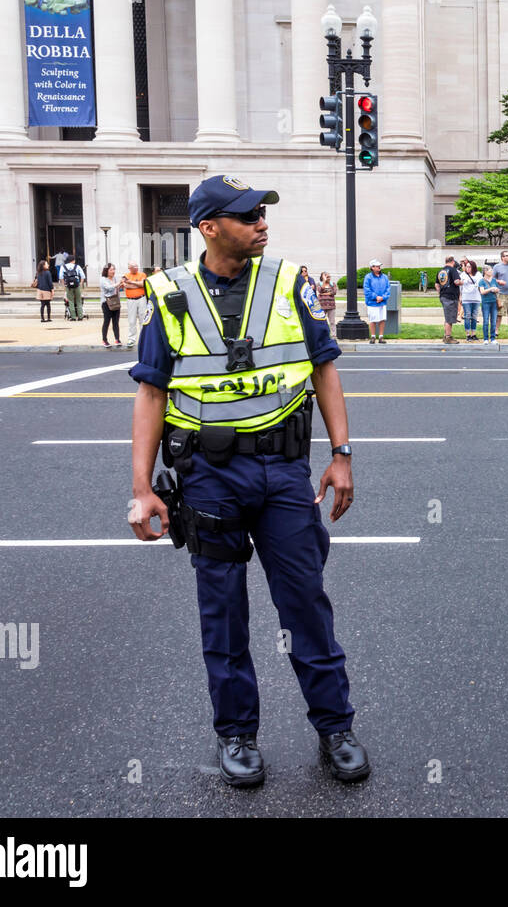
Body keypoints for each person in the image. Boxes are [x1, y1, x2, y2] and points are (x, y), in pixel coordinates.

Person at [127, 174, 369, 786]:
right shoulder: (168, 294)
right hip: (208, 479)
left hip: (283, 474)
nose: (261, 223)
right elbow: (151, 392)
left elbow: (324, 370)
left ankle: (335, 727)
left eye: (263, 212)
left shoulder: (290, 283)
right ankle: (237, 734)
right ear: (208, 228)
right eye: (247, 215)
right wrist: (141, 489)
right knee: (224, 614)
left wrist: (341, 454)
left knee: (306, 605)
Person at [119, 262, 148, 348]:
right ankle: (131, 338)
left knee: (143, 319)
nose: (136, 268)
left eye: (136, 266)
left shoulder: (142, 274)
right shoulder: (126, 275)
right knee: (132, 320)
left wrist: (131, 282)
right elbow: (125, 285)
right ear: (129, 268)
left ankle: (144, 338)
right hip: (131, 300)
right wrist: (136, 285)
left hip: (141, 298)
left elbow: (143, 284)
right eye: (133, 267)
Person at [362, 259, 391, 343]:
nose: (379, 267)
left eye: (379, 266)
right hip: (372, 303)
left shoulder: (384, 277)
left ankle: (381, 337)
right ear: (372, 267)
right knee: (373, 320)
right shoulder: (368, 277)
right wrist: (376, 297)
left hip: (382, 302)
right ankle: (373, 337)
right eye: (377, 266)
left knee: (382, 319)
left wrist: (383, 297)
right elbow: (367, 290)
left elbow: (388, 289)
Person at [436, 256, 463, 344]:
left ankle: (445, 336)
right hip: (451, 297)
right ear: (453, 262)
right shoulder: (453, 270)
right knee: (449, 319)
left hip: (443, 296)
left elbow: (436, 285)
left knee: (447, 317)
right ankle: (448, 337)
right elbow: (456, 282)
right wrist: (463, 282)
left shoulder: (441, 271)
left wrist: (440, 293)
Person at [98, 263, 121, 346]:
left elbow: (116, 288)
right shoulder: (103, 279)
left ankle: (117, 339)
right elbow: (109, 288)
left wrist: (121, 285)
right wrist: (118, 283)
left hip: (115, 301)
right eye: (111, 269)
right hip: (106, 302)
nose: (113, 271)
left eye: (114, 269)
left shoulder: (114, 278)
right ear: (106, 271)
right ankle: (104, 339)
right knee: (107, 321)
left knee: (116, 321)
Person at [458, 258, 481, 342]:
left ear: (473, 267)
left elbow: (480, 283)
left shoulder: (478, 274)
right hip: (466, 298)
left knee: (474, 316)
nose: (467, 268)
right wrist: (460, 297)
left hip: (476, 298)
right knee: (467, 316)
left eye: (469, 267)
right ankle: (468, 335)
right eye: (467, 267)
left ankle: (473, 334)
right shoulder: (463, 275)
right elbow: (460, 287)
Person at [478, 264, 500, 343]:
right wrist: (491, 289)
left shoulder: (494, 280)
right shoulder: (481, 281)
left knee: (494, 321)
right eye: (490, 270)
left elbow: (498, 289)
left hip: (494, 302)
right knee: (486, 321)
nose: (492, 271)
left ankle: (493, 338)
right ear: (485, 271)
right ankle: (486, 339)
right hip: (485, 303)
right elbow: (482, 292)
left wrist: (496, 290)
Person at [61, 253, 85, 321]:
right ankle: (80, 316)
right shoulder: (77, 266)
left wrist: (64, 285)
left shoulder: (63, 267)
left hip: (68, 286)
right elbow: (83, 276)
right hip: (76, 285)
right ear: (73, 260)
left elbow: (61, 277)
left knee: (70, 301)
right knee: (78, 301)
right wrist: (80, 284)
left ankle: (73, 317)